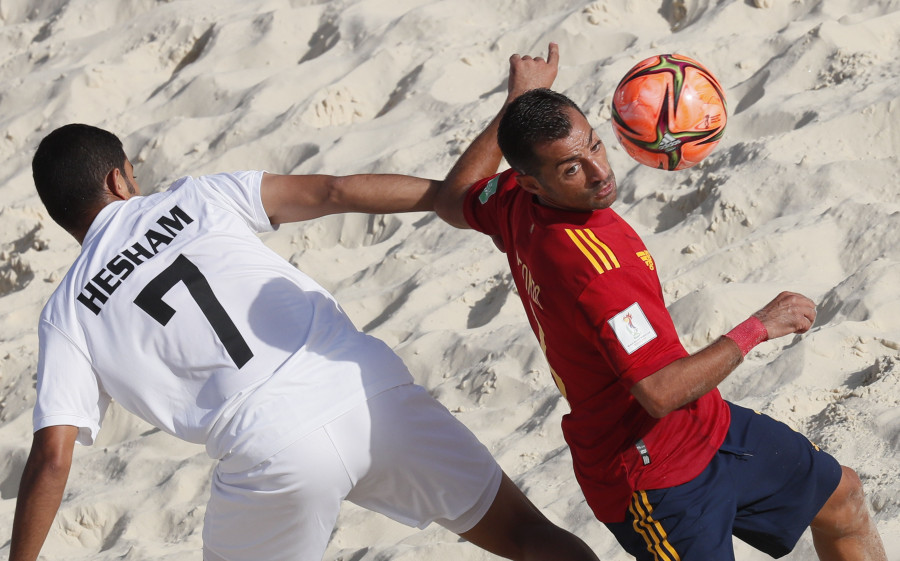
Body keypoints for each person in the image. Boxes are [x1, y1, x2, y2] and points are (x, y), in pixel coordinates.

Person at [9, 49, 601, 561]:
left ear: (65, 220)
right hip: (365, 386)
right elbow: (332, 190)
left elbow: (53, 458)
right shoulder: (196, 197)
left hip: (268, 449)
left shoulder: (66, 312)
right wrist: (448, 197)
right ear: (120, 180)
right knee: (528, 536)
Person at [434, 44, 887, 560]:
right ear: (534, 180)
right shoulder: (595, 270)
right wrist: (759, 326)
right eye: (571, 170)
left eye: (597, 147)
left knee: (842, 497)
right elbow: (658, 390)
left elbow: (455, 194)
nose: (600, 172)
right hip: (654, 479)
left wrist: (520, 99)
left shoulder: (515, 200)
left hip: (708, 426)